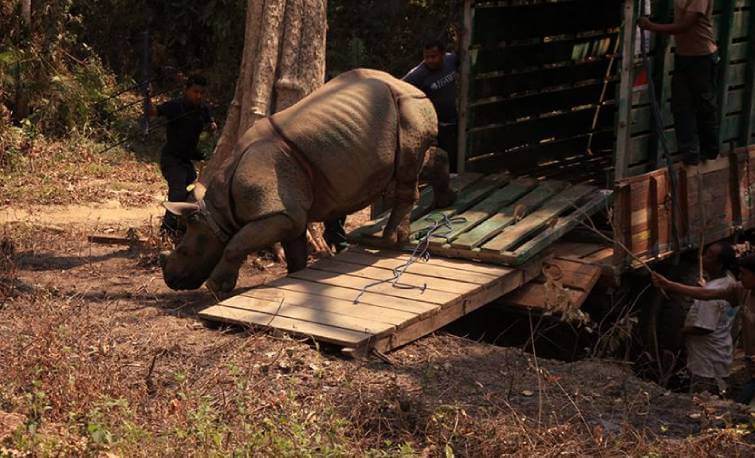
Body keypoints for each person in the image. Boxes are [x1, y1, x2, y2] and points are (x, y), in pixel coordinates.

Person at [653, 253, 755, 404]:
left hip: (724, 362)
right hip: (748, 364)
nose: (740, 277)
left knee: (738, 406)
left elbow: (706, 326)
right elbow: (707, 294)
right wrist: (669, 285)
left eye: (744, 274)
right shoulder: (742, 290)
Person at [639, 0, 719, 165]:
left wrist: (651, 26)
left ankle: (709, 151)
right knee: (681, 106)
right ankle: (690, 154)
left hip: (701, 57)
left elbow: (684, 25)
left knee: (704, 105)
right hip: (684, 56)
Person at [148, 74, 217, 235]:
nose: (198, 96)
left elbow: (210, 123)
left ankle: (181, 225)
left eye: (201, 93)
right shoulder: (175, 106)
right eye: (195, 92)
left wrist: (212, 127)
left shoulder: (203, 109)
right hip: (172, 159)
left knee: (191, 191)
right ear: (186, 90)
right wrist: (147, 96)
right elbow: (152, 112)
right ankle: (167, 230)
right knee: (177, 192)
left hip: (187, 160)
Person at [681, 242, 738, 394]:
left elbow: (703, 327)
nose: (703, 258)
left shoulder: (710, 296)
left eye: (709, 257)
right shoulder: (730, 282)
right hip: (721, 354)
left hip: (706, 363)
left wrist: (681, 331)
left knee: (704, 403)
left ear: (719, 265)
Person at [402, 38, 460, 172]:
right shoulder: (417, 75)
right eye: (426, 57)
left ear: (443, 54)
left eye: (433, 57)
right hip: (435, 124)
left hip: (454, 118)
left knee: (456, 154)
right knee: (441, 160)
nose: (429, 60)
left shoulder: (451, 60)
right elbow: (399, 88)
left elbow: (462, 54)